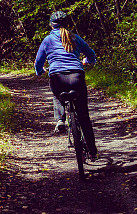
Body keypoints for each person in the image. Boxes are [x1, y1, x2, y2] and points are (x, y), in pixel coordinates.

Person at [34, 10, 98, 160]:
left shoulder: (47, 40)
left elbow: (38, 62)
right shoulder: (75, 37)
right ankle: (93, 151)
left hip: (57, 76)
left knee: (58, 95)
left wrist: (39, 71)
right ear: (67, 24)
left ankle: (60, 120)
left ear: (51, 25)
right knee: (84, 116)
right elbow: (91, 55)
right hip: (76, 75)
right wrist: (87, 62)